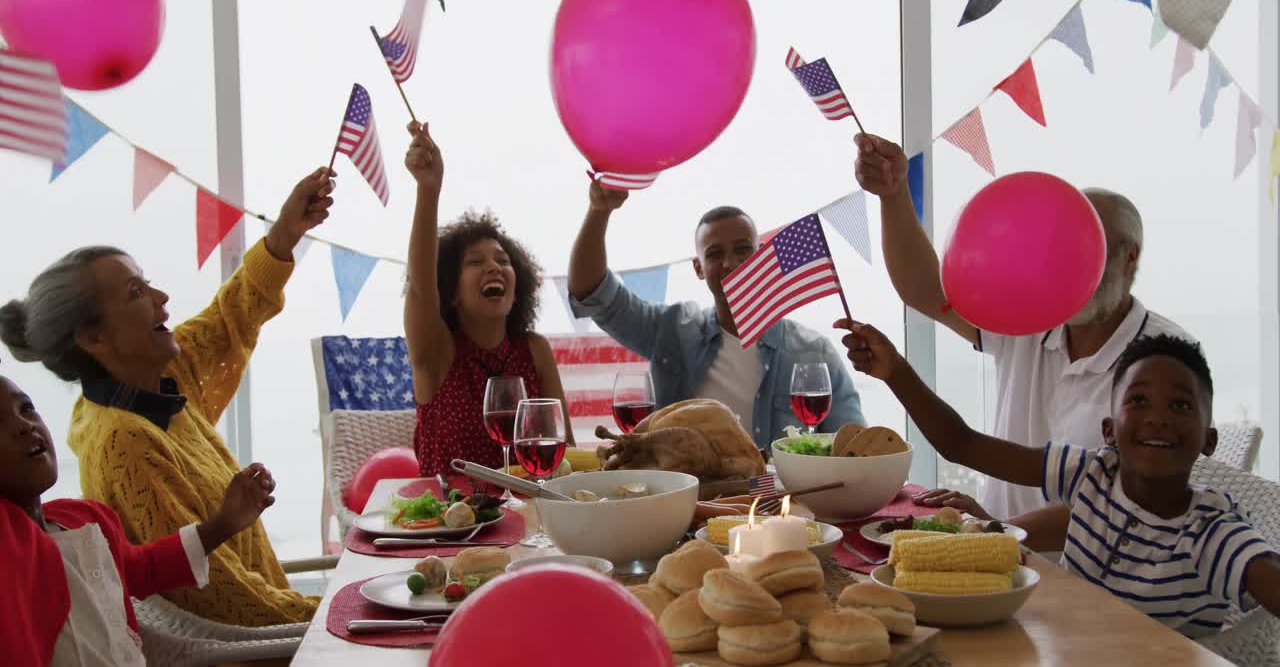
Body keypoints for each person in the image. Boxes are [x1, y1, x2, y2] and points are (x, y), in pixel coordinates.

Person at [0, 167, 335, 627]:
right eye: (137, 292)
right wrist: (346, 611)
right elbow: (222, 597)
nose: (162, 297)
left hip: (292, 629)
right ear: (94, 338)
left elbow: (231, 316)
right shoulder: (124, 442)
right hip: (263, 650)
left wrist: (286, 231)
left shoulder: (157, 376)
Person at [838, 321, 1280, 637]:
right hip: (1068, 643)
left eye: (1180, 406)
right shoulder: (1093, 472)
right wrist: (896, 372)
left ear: (1208, 439)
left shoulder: (1210, 529)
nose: (1158, 419)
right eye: (1139, 401)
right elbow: (963, 445)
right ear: (1109, 431)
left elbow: (1266, 575)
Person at [854, 133, 1194, 519]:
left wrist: (1000, 532)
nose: (1071, 267)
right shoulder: (1030, 315)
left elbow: (1118, 507)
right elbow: (925, 291)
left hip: (1081, 573)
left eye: (1089, 251)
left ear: (1130, 257)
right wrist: (893, 195)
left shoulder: (1167, 362)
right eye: (1059, 250)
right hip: (1005, 559)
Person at [0, 374, 276, 666]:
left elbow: (145, 568)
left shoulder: (86, 517)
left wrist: (224, 523)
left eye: (26, 408)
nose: (23, 425)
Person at [567, 180, 865, 449]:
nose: (730, 263)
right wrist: (599, 210)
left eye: (742, 250)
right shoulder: (673, 330)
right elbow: (591, 292)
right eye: (714, 254)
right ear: (698, 268)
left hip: (779, 503)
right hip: (690, 499)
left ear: (760, 256)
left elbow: (854, 446)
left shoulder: (813, 351)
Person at [402, 122, 572, 477]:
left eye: (503, 261)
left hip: (529, 523)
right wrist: (428, 190)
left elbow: (563, 451)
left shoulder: (535, 349)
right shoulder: (438, 351)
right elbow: (419, 287)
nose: (494, 267)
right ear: (449, 290)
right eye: (475, 262)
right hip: (452, 525)